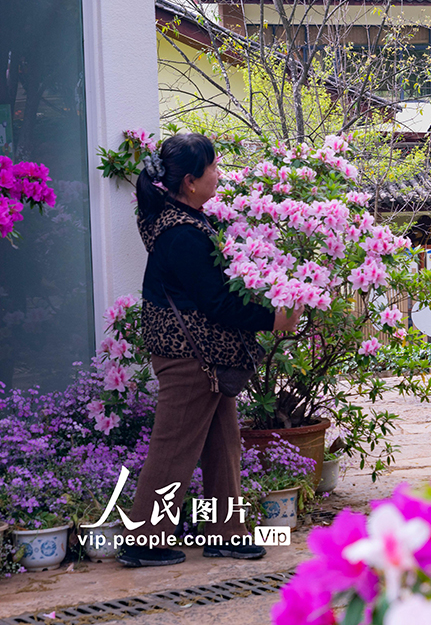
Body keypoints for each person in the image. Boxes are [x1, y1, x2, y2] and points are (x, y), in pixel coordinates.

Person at [117, 133, 300, 568]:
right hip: (189, 355)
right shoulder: (183, 232)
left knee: (223, 443)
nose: (219, 174)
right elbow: (216, 302)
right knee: (174, 446)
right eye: (212, 168)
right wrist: (274, 318)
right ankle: (144, 539)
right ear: (190, 181)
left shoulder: (182, 217)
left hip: (206, 356)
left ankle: (226, 531)